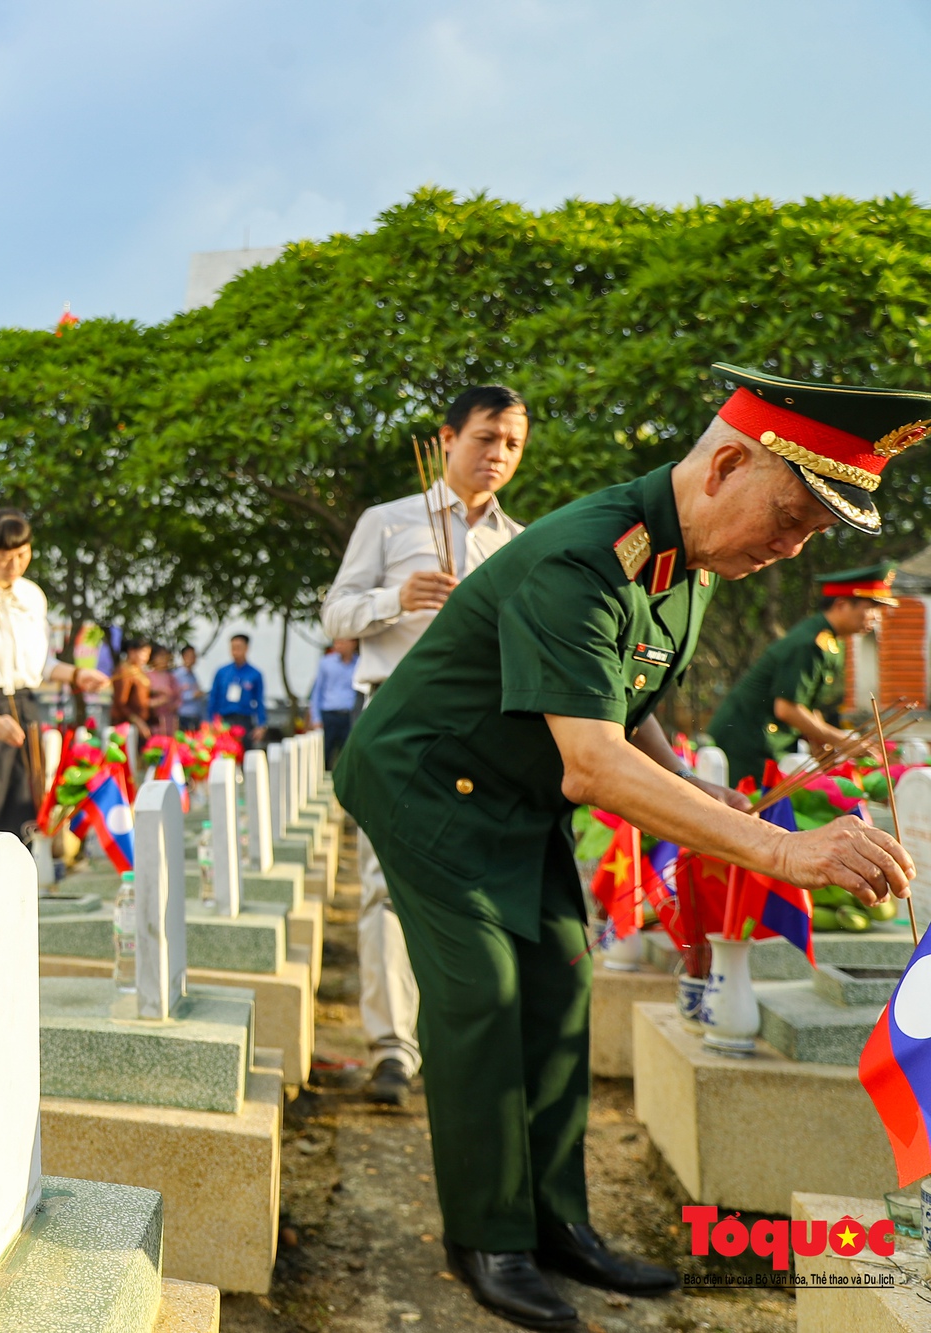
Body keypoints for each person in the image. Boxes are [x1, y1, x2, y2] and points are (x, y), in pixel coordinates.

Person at [333, 363, 920, 1330]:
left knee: (563, 981)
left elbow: (622, 705)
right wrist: (782, 853)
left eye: (813, 533)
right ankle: (488, 1237)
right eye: (792, 517)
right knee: (483, 994)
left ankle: (559, 1224)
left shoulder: (685, 564)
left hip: (517, 786)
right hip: (428, 780)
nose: (791, 546)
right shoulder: (588, 558)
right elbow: (594, 768)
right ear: (727, 465)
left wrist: (698, 786)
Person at [320, 384, 531, 1110]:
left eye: (512, 442)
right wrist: (395, 600)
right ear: (447, 439)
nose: (497, 454)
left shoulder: (521, 541)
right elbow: (334, 614)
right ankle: (391, 1048)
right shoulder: (387, 521)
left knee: (469, 887)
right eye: (485, 437)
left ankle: (457, 1038)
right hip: (395, 723)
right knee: (383, 884)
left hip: (483, 732)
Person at [0, 508, 110, 835]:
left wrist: (75, 675)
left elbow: (38, 664)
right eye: (3, 556)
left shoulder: (31, 595)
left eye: (21, 555)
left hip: (26, 710)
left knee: (25, 818)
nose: (14, 565)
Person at [706, 564, 895, 785]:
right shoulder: (809, 643)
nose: (875, 618)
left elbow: (805, 702)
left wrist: (823, 739)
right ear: (842, 605)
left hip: (765, 738)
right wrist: (844, 741)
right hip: (747, 740)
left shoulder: (829, 642)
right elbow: (787, 709)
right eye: (870, 608)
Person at [308, 638, 360, 767]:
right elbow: (317, 692)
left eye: (342, 642)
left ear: (353, 643)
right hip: (329, 715)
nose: (338, 645)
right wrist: (316, 718)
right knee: (324, 753)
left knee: (348, 754)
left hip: (350, 715)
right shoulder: (326, 663)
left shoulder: (360, 663)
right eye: (337, 642)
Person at [208, 634, 266, 746]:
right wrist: (210, 720)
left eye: (239, 647)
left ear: (246, 648)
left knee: (244, 754)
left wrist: (261, 725)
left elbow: (260, 701)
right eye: (233, 648)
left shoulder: (255, 674)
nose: (235, 651)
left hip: (244, 720)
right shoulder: (222, 672)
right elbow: (213, 697)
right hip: (224, 720)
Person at [110, 640, 154, 740]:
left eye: (148, 654)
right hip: (125, 725)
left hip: (139, 723)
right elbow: (121, 702)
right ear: (132, 651)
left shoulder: (138, 670)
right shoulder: (124, 671)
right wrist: (138, 722)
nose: (146, 658)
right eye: (144, 653)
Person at [148, 646, 182, 735]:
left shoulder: (171, 677)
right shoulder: (147, 676)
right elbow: (143, 697)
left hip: (169, 719)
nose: (164, 659)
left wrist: (173, 706)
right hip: (153, 720)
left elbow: (178, 697)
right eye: (160, 656)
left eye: (166, 656)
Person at [174, 645, 205, 731]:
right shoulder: (178, 675)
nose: (193, 659)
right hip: (183, 716)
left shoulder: (193, 675)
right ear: (184, 656)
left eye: (194, 656)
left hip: (195, 715)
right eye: (190, 656)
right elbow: (175, 695)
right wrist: (193, 695)